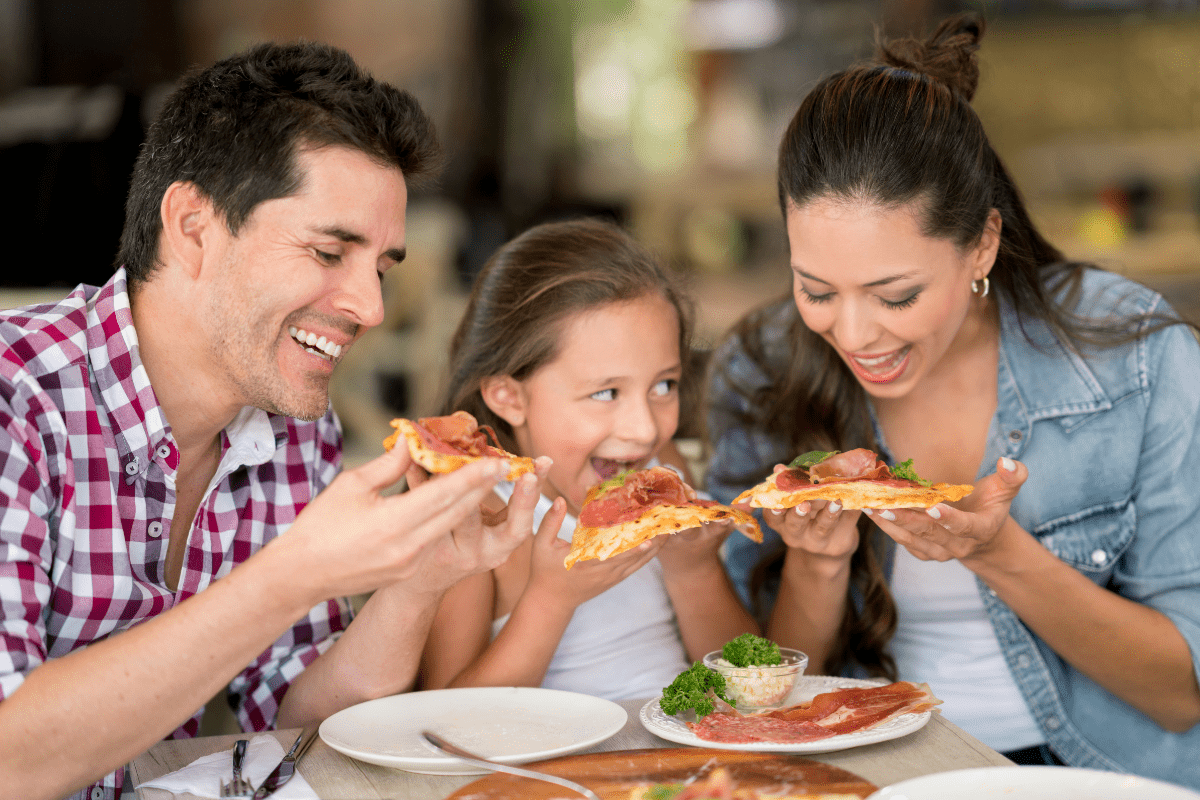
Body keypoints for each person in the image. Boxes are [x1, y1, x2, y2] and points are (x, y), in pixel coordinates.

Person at [0, 42, 547, 800]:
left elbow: (301, 724)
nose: (372, 308)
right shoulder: (16, 400)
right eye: (330, 250)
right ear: (192, 226)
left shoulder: (291, 423)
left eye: (381, 267)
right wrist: (295, 576)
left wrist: (420, 580)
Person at [705, 13, 1200, 786]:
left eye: (895, 295)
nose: (856, 332)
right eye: (817, 289)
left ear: (983, 245)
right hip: (867, 774)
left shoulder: (1135, 353)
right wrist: (816, 568)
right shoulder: (761, 369)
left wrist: (999, 556)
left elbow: (1181, 697)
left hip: (1100, 773)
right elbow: (758, 701)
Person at [419, 218, 758, 699]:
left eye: (664, 385)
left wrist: (694, 570)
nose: (644, 429)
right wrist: (551, 599)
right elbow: (443, 720)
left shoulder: (659, 468)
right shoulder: (474, 514)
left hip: (684, 759)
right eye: (606, 393)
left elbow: (744, 686)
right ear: (508, 397)